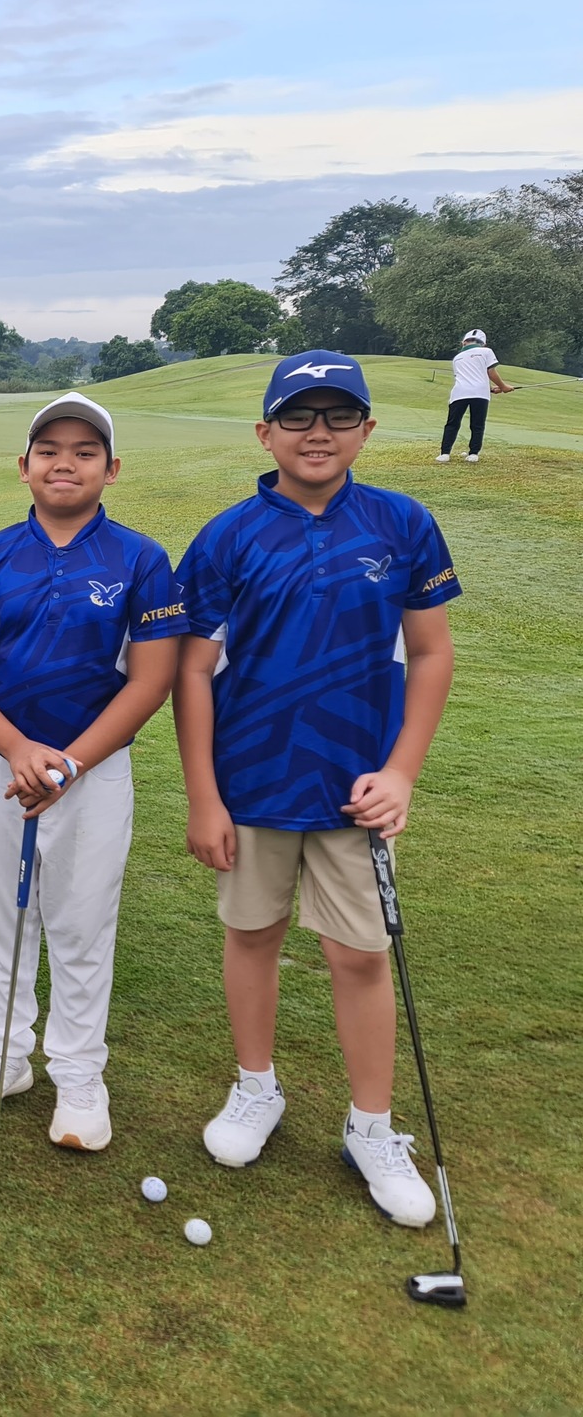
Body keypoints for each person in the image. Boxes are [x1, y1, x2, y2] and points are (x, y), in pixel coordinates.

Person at [177, 352, 459, 1227]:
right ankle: (255, 1088)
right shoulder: (228, 535)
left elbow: (432, 654)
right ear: (265, 432)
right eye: (298, 417)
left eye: (339, 417)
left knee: (359, 955)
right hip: (252, 782)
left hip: (353, 788)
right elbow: (193, 672)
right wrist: (204, 797)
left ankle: (371, 1126)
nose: (318, 434)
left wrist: (403, 770)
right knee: (252, 934)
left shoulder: (402, 525)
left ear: (367, 431)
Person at [0, 393, 187, 1150]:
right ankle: (3, 1055)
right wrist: (18, 750)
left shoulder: (141, 559)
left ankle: (78, 1073)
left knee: (81, 923)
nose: (64, 462)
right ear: (24, 467)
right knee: (1, 917)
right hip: (1, 765)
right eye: (49, 449)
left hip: (94, 772)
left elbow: (151, 680)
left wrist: (70, 763)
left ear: (111, 469)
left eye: (84, 451)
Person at [437, 329, 516, 464]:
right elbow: (490, 372)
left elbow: (466, 378)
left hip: (459, 393)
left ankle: (445, 453)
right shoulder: (486, 351)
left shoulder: (457, 358)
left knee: (452, 424)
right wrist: (503, 387)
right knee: (477, 424)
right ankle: (473, 454)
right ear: (483, 344)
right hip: (480, 393)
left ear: (464, 342)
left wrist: (491, 389)